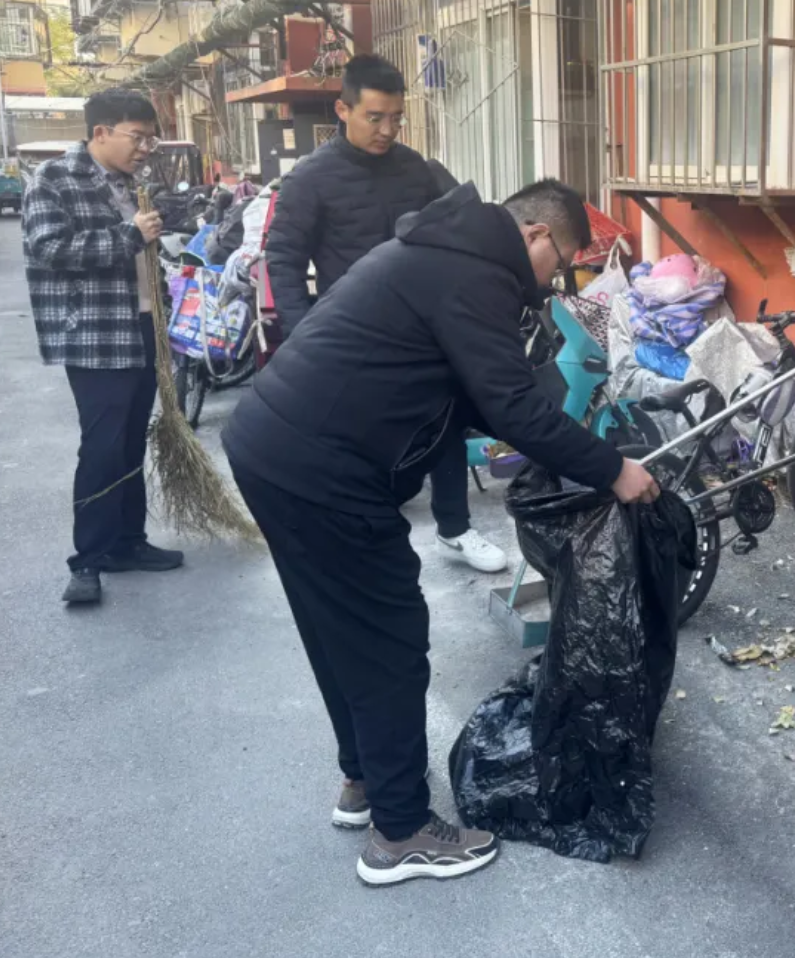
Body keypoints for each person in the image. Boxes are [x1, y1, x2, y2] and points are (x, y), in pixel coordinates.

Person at [223, 177, 661, 885]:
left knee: (337, 631)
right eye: (561, 262)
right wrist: (612, 469)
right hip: (322, 467)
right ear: (536, 235)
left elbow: (477, 394)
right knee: (387, 637)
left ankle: (366, 779)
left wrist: (562, 446)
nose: (555, 282)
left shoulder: (444, 252)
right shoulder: (474, 273)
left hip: (272, 445)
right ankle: (400, 832)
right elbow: (510, 403)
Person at [263, 54, 507, 574]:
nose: (387, 130)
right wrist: (303, 334)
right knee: (358, 441)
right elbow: (283, 258)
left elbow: (453, 233)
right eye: (375, 117)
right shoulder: (310, 178)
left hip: (421, 327)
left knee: (444, 419)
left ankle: (455, 529)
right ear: (343, 110)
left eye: (396, 117)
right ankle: (361, 537)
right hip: (350, 334)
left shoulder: (413, 168)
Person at [23, 92, 184, 607]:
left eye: (150, 138)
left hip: (142, 326)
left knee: (132, 441)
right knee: (102, 446)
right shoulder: (53, 179)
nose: (145, 148)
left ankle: (127, 542)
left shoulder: (132, 182)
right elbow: (49, 249)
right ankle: (88, 561)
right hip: (96, 334)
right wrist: (128, 235)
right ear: (101, 132)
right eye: (138, 137)